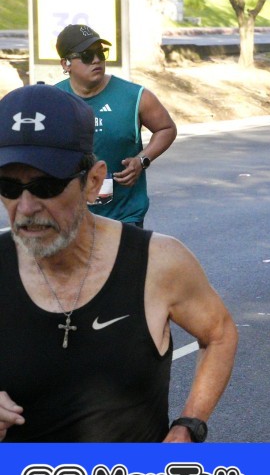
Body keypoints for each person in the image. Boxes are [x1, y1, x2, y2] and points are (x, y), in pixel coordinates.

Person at [0, 84, 238, 442]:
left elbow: (219, 334)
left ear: (93, 181)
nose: (27, 207)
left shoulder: (158, 262)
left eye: (47, 186)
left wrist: (190, 424)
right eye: (8, 187)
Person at [54, 24, 176, 228]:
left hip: (125, 217)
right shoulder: (52, 100)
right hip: (70, 216)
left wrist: (142, 160)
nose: (96, 60)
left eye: (100, 53)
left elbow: (166, 129)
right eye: (87, 55)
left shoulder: (134, 96)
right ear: (66, 64)